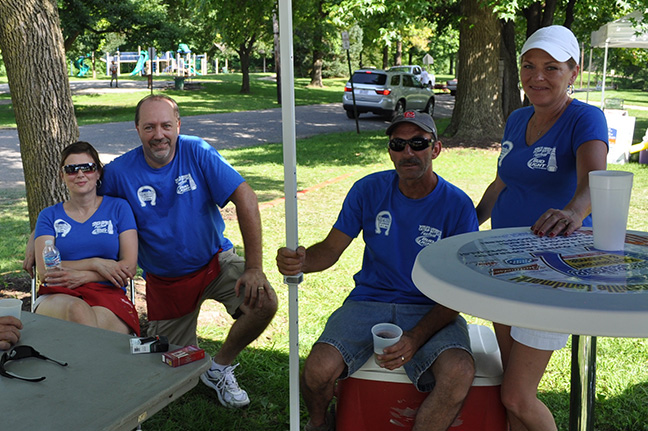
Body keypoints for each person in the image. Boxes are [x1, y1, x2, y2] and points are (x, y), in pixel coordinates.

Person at [277, 111, 478, 431]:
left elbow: (458, 292)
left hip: (431, 308)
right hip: (368, 301)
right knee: (317, 370)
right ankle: (319, 424)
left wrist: (415, 337)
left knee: (460, 371)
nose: (407, 152)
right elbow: (330, 249)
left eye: (418, 143)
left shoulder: (458, 205)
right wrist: (301, 261)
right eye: (398, 144)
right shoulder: (367, 190)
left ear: (435, 149)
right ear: (390, 150)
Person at [98, 94, 277, 408]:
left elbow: (245, 197)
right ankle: (180, 351)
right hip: (166, 280)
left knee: (263, 301)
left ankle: (219, 368)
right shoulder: (118, 173)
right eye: (149, 127)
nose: (159, 135)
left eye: (166, 125)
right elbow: (86, 209)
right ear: (137, 129)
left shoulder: (197, 150)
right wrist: (40, 233)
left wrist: (253, 267)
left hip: (215, 262)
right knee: (172, 371)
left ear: (178, 125)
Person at [475, 25, 608, 431]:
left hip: (551, 269)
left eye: (552, 67)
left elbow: (595, 181)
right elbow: (502, 183)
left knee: (517, 394)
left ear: (574, 72)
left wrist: (574, 211)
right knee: (507, 391)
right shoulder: (516, 119)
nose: (537, 76)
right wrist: (466, 220)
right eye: (529, 65)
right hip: (503, 264)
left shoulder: (585, 118)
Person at [33, 141, 140, 336]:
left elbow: (129, 267)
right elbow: (46, 270)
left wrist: (86, 276)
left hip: (108, 293)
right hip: (58, 293)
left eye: (88, 168)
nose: (80, 174)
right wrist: (96, 263)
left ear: (98, 172)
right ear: (62, 175)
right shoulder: (49, 216)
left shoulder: (119, 208)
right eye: (72, 169)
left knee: (86, 329)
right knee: (78, 311)